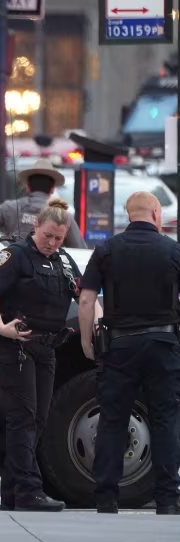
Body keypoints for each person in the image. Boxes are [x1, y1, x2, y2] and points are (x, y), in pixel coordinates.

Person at [0, 197, 88, 512]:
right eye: (47, 236)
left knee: (39, 420)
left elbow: (84, 297)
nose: (52, 243)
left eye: (58, 238)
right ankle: (28, 491)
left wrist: (95, 332)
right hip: (13, 346)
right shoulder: (14, 256)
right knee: (24, 418)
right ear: (35, 226)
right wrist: (1, 327)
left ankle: (12, 493)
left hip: (46, 348)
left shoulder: (65, 261)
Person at [79, 192, 180, 515]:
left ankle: (106, 497)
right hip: (163, 345)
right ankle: (167, 499)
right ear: (155, 213)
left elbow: (85, 300)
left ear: (128, 214)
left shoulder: (107, 249)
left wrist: (86, 341)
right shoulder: (173, 250)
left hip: (120, 345)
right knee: (165, 419)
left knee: (113, 419)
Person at [0, 159, 87, 249]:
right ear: (52, 189)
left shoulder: (8, 208)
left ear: (27, 187)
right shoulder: (63, 216)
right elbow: (80, 250)